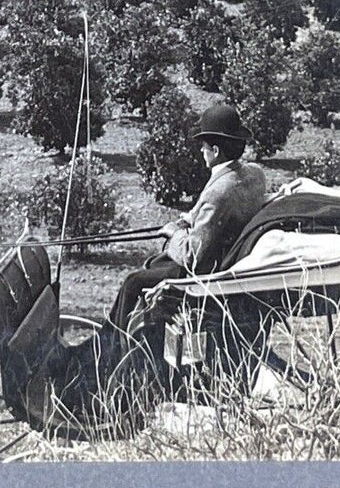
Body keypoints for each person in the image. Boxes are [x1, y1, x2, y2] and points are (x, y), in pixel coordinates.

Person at [108, 102, 268, 334]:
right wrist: (190, 218)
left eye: (203, 146)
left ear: (215, 150)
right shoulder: (254, 173)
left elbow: (194, 257)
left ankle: (110, 349)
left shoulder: (218, 192)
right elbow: (210, 213)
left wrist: (174, 233)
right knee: (155, 264)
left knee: (133, 282)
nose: (201, 151)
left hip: (209, 273)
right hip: (230, 256)